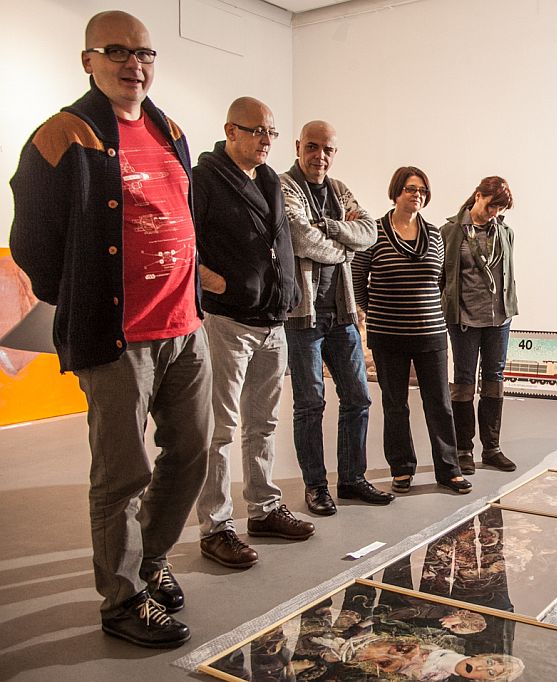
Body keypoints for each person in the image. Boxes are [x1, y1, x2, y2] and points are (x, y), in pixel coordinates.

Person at [9, 10, 209, 647]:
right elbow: (33, 244)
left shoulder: (169, 129)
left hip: (185, 328)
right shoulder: (62, 136)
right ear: (87, 60)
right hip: (118, 338)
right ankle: (122, 602)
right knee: (122, 475)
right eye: (117, 51)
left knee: (192, 452)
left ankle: (150, 562)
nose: (134, 65)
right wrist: (84, 303)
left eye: (144, 54)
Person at [193, 97, 313, 570]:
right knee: (220, 429)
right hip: (227, 322)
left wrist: (286, 294)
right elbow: (183, 244)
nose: (266, 139)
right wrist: (218, 283)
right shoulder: (203, 180)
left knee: (263, 424)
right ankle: (216, 526)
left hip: (272, 322)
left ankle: (263, 509)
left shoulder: (268, 180)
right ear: (231, 130)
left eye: (271, 132)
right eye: (257, 130)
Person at [280, 120, 393, 514]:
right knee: (310, 403)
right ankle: (315, 486)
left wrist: (330, 227)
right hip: (303, 316)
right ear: (298, 146)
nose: (320, 156)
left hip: (342, 313)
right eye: (312, 147)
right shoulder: (285, 187)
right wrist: (344, 245)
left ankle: (351, 479)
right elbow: (300, 237)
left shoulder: (339, 189)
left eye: (327, 149)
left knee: (358, 397)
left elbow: (368, 232)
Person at [352, 167, 471, 495]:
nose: (416, 194)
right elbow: (358, 279)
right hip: (388, 334)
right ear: (396, 192)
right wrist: (374, 310)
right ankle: (402, 468)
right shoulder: (374, 232)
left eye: (422, 190)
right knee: (395, 404)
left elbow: (439, 280)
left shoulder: (434, 234)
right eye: (410, 189)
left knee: (440, 403)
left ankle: (449, 469)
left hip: (430, 332)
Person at [440, 177, 519, 475]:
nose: (494, 213)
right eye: (491, 205)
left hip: (499, 319)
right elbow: (441, 277)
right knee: (463, 382)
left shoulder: (505, 232)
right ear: (477, 196)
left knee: (494, 379)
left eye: (500, 209)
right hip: (464, 319)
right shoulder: (450, 231)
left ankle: (492, 448)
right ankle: (463, 449)